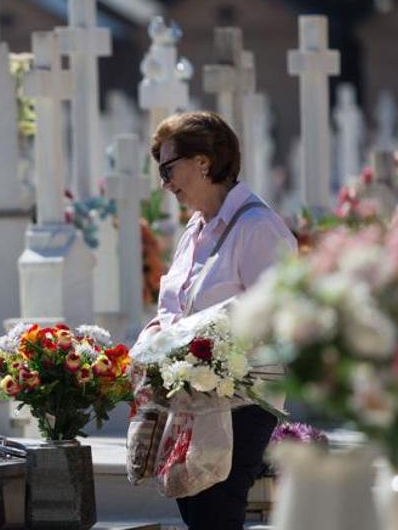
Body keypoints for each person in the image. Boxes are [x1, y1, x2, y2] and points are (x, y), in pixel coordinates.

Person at [144, 111, 296, 530]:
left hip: (242, 405)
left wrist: (207, 341)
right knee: (196, 515)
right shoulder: (194, 231)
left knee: (216, 516)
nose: (165, 182)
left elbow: (280, 316)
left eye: (168, 168)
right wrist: (158, 334)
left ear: (204, 162)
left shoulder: (258, 227)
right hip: (191, 401)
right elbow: (176, 306)